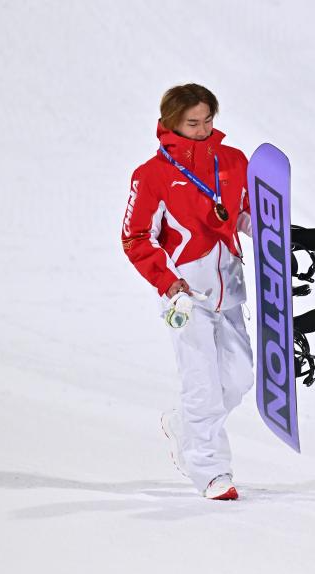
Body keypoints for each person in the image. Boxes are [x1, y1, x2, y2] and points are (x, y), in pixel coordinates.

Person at [121, 84, 253, 500]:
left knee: (240, 378)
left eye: (208, 120)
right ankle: (210, 471)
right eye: (192, 123)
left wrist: (276, 233)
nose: (202, 129)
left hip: (229, 288)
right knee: (202, 384)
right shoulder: (151, 175)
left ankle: (185, 425)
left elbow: (244, 213)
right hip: (186, 295)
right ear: (171, 122)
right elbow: (136, 237)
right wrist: (167, 281)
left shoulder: (232, 161)